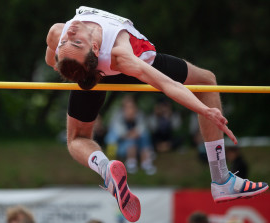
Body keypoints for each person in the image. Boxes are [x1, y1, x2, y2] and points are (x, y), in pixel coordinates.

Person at [45, 6, 268, 222]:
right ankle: (221, 181)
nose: (70, 33)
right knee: (206, 81)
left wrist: (69, 60)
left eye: (67, 42)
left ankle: (105, 169)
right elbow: (167, 84)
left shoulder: (58, 33)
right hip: (126, 65)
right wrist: (205, 109)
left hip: (97, 72)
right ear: (94, 47)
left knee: (77, 138)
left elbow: (51, 61)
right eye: (74, 42)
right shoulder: (119, 54)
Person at [105, 94, 156, 175]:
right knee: (130, 139)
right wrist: (129, 134)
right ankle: (131, 161)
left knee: (144, 135)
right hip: (121, 147)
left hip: (137, 145)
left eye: (131, 107)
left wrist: (135, 132)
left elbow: (143, 127)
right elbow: (115, 135)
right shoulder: (117, 116)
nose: (129, 109)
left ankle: (145, 161)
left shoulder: (139, 115)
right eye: (127, 107)